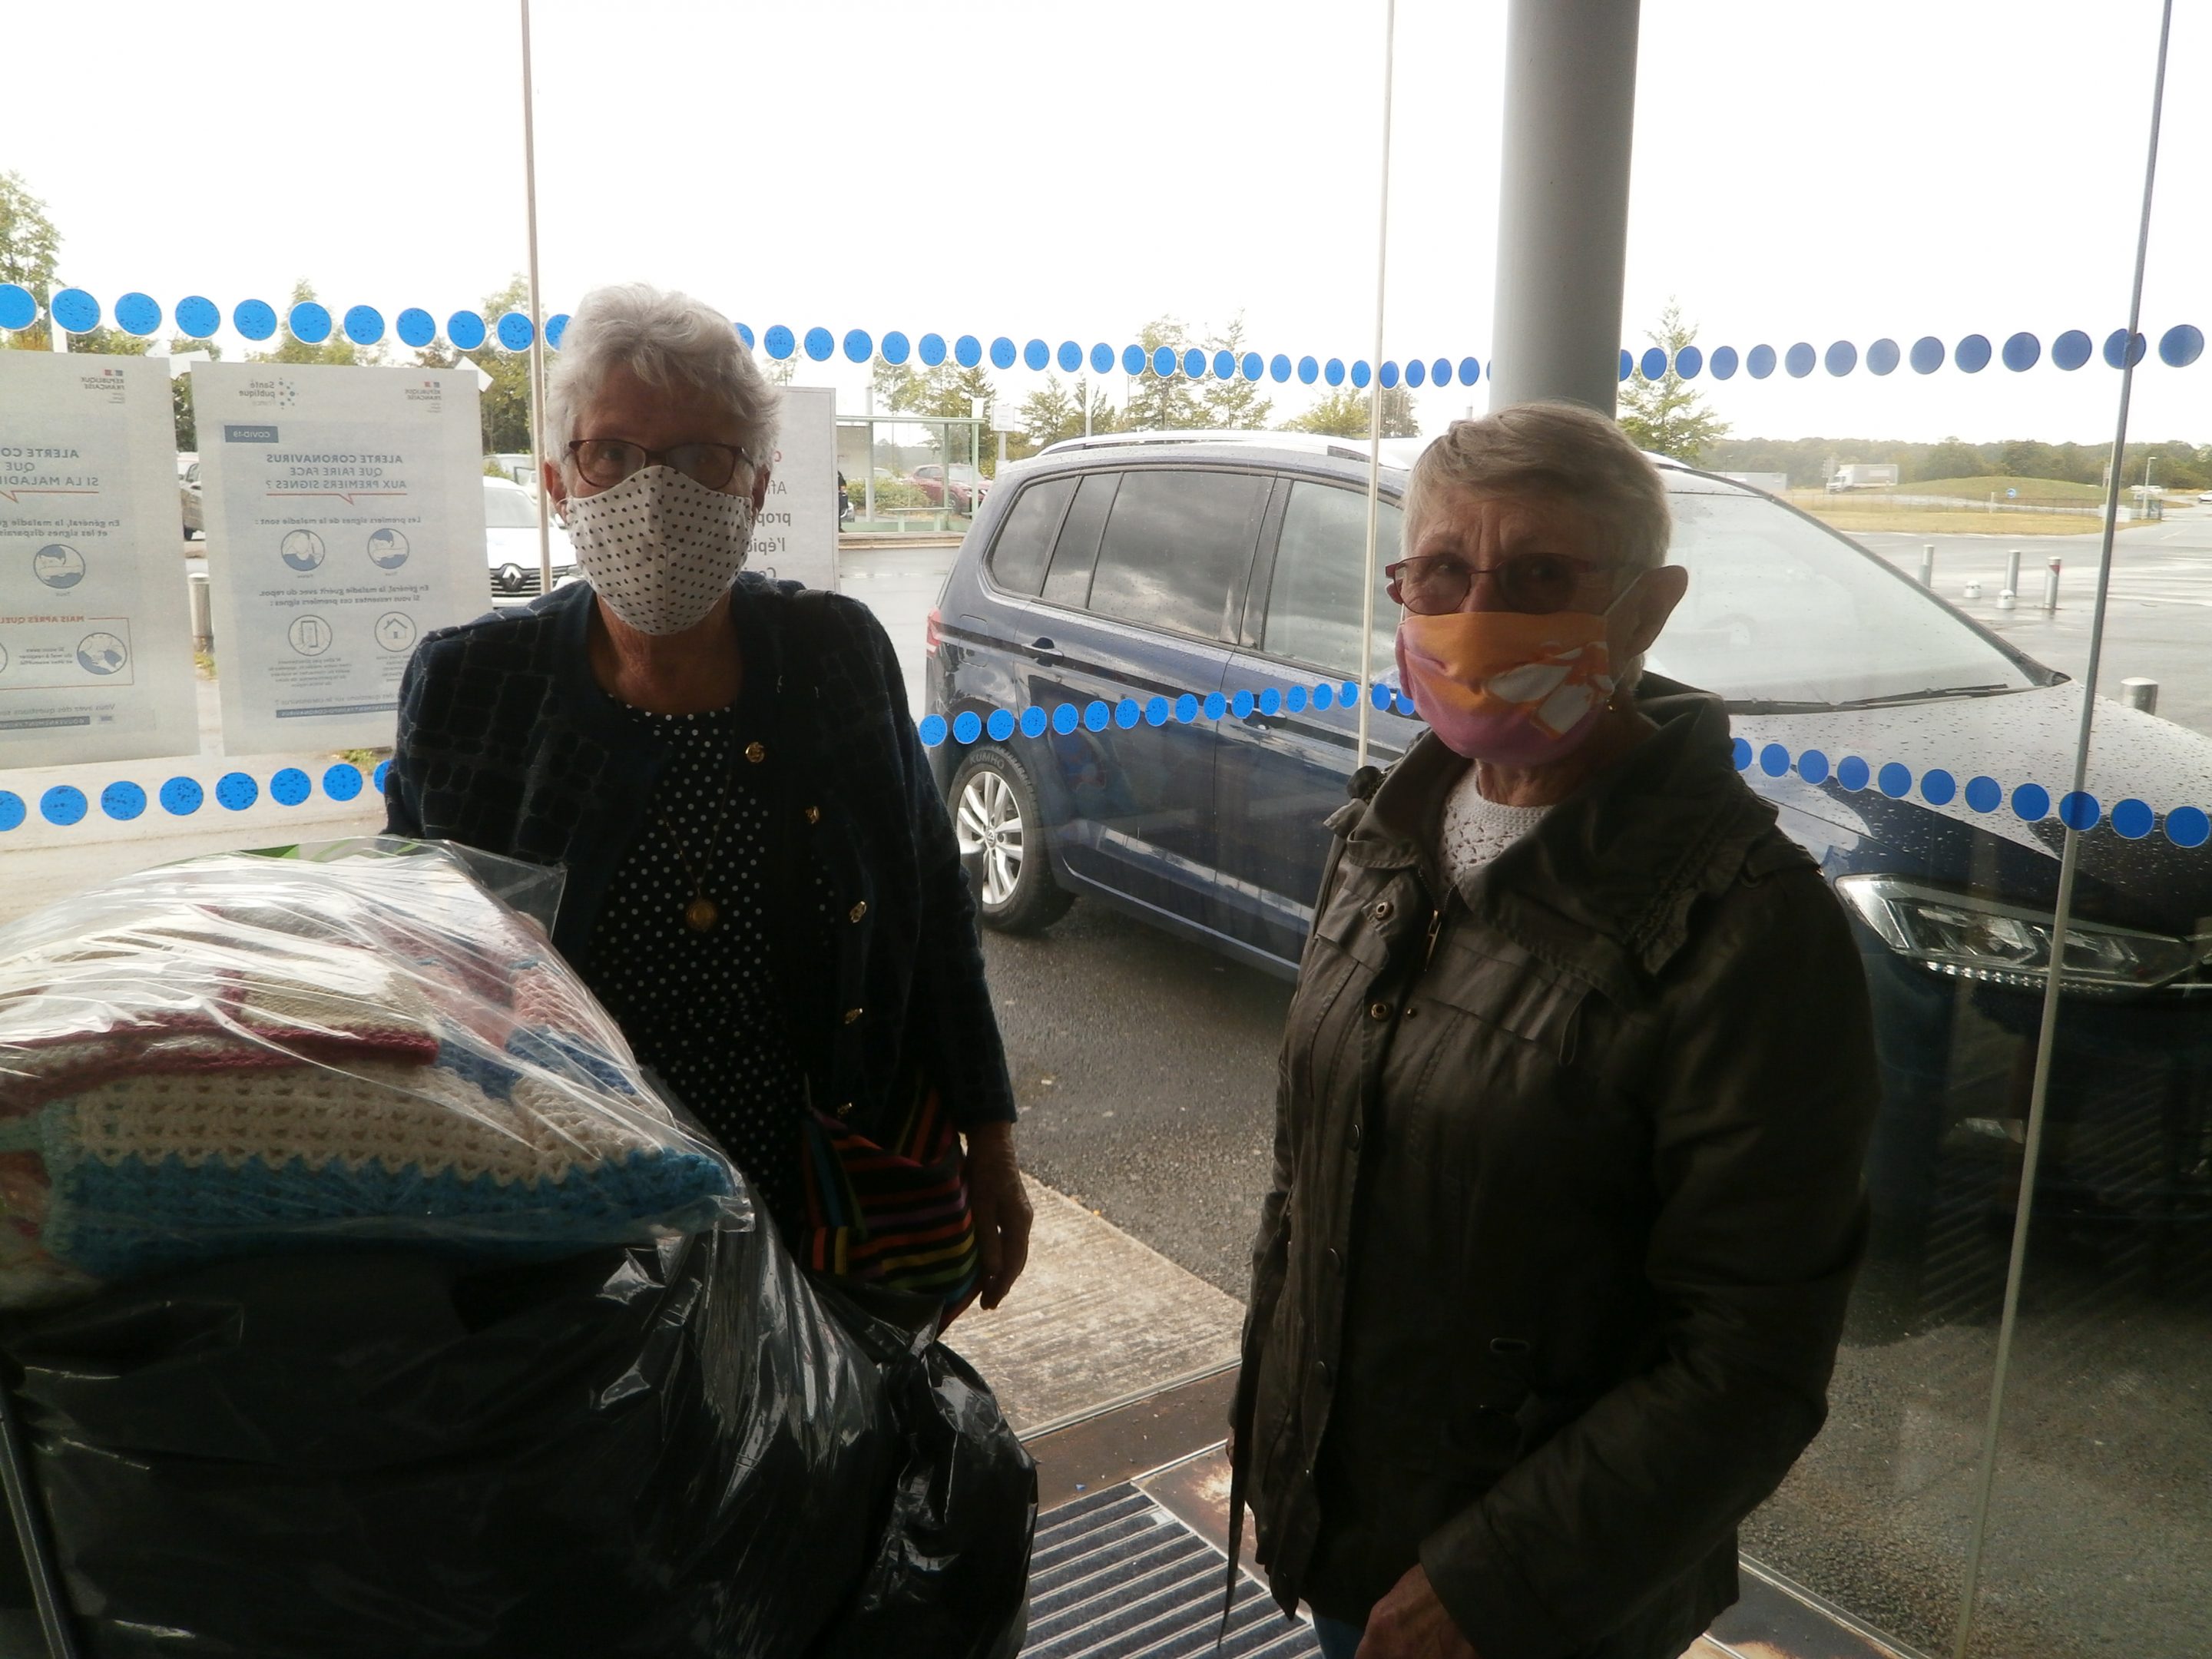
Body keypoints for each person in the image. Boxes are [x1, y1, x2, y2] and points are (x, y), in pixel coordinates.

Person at [1233, 403, 1879, 1659]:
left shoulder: (1748, 924)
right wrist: (1277, 1437)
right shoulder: (1384, 835)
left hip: (1541, 1604)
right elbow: (1309, 1181)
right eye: (1442, 571)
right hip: (1344, 1529)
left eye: (1540, 576)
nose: (1480, 613)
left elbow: (1752, 1359)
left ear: (1646, 610)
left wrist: (1493, 1585)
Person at [384, 282, 1031, 1316]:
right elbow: (419, 975)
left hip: (830, 1203)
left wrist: (990, 1139)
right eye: (612, 453)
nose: (654, 494)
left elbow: (932, 906)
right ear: (557, 481)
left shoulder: (835, 656)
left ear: (757, 487)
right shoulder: (472, 687)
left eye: (701, 458)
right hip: (580, 1229)